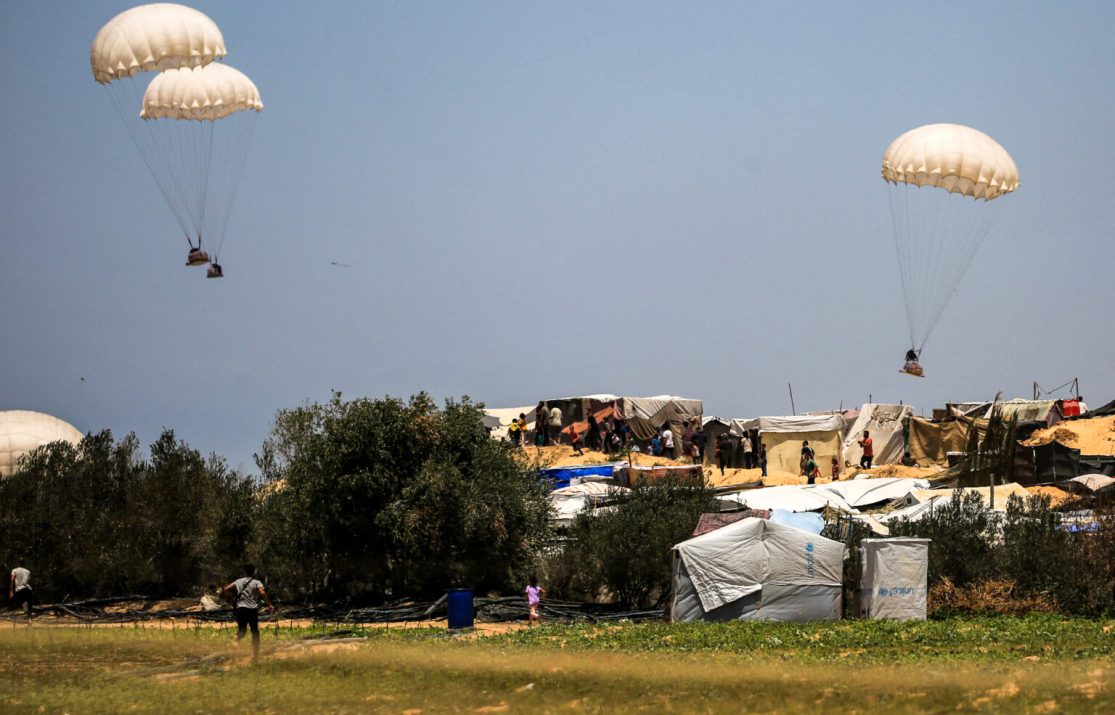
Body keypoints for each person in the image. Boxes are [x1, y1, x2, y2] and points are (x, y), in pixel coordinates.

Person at [223, 563, 274, 658]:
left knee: (242, 631)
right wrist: (269, 604)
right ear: (254, 572)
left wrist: (233, 597)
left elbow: (226, 589)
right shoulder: (256, 582)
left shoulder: (238, 581)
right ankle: (256, 654)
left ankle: (235, 639)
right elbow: (262, 593)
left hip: (240, 609)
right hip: (252, 609)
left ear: (245, 572)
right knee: (255, 631)